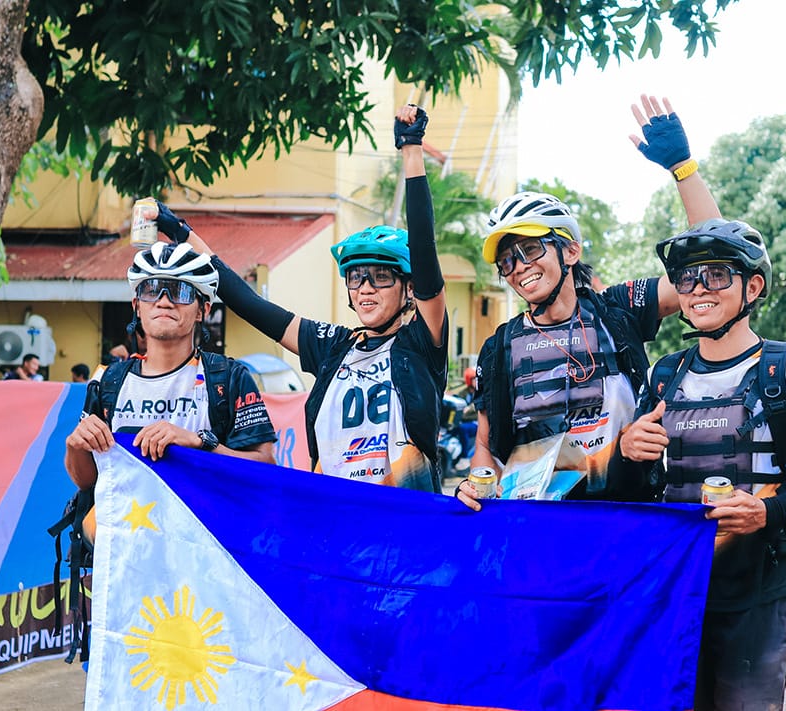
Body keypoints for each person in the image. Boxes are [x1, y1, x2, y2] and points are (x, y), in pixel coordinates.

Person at [153, 105, 448, 492]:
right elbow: (249, 304)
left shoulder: (421, 341)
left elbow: (425, 253)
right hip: (334, 518)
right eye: (357, 278)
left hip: (405, 515)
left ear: (408, 289)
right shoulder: (334, 347)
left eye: (381, 278)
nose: (366, 288)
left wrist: (411, 148)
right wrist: (183, 235)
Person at [619, 219, 786, 709]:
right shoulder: (664, 375)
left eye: (717, 275)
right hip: (678, 592)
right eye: (686, 278)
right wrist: (627, 450)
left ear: (753, 286)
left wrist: (767, 513)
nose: (698, 289)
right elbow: (639, 488)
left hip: (760, 593)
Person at [457, 95, 722, 507]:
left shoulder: (617, 310)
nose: (518, 267)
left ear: (571, 251)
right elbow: (486, 449)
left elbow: (713, 263)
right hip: (540, 527)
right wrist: (475, 483)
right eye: (507, 261)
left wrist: (683, 171)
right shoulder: (499, 346)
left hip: (626, 515)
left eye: (530, 250)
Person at [65, 242, 278, 542]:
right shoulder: (110, 381)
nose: (164, 301)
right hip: (128, 558)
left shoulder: (228, 378)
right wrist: (75, 446)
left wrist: (198, 442)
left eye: (180, 292)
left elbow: (265, 471)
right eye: (151, 289)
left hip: (204, 551)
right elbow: (87, 480)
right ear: (136, 305)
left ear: (203, 309)